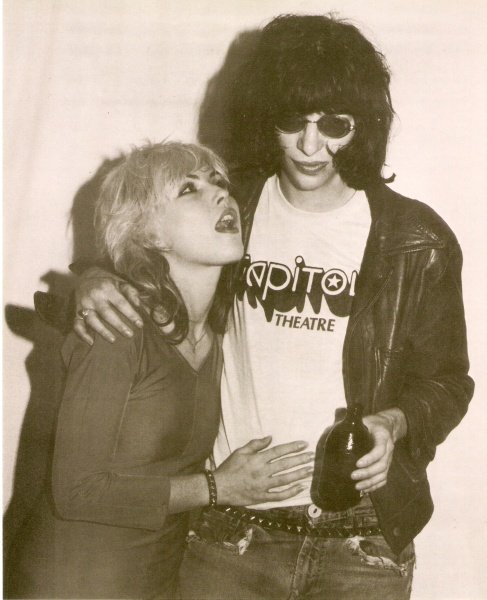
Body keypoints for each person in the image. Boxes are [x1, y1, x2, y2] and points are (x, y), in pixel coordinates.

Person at [56, 14, 473, 600]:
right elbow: (139, 258)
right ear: (264, 116)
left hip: (362, 540)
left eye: (335, 124)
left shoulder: (415, 238)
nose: (310, 145)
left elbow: (448, 382)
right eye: (292, 121)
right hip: (232, 536)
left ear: (363, 125)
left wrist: (394, 423)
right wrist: (93, 278)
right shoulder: (232, 209)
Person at [5, 141, 315, 600]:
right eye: (189, 189)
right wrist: (220, 487)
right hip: (71, 581)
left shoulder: (219, 335)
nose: (221, 194)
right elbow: (76, 491)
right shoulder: (118, 327)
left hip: (157, 579)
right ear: (147, 233)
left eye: (219, 183)